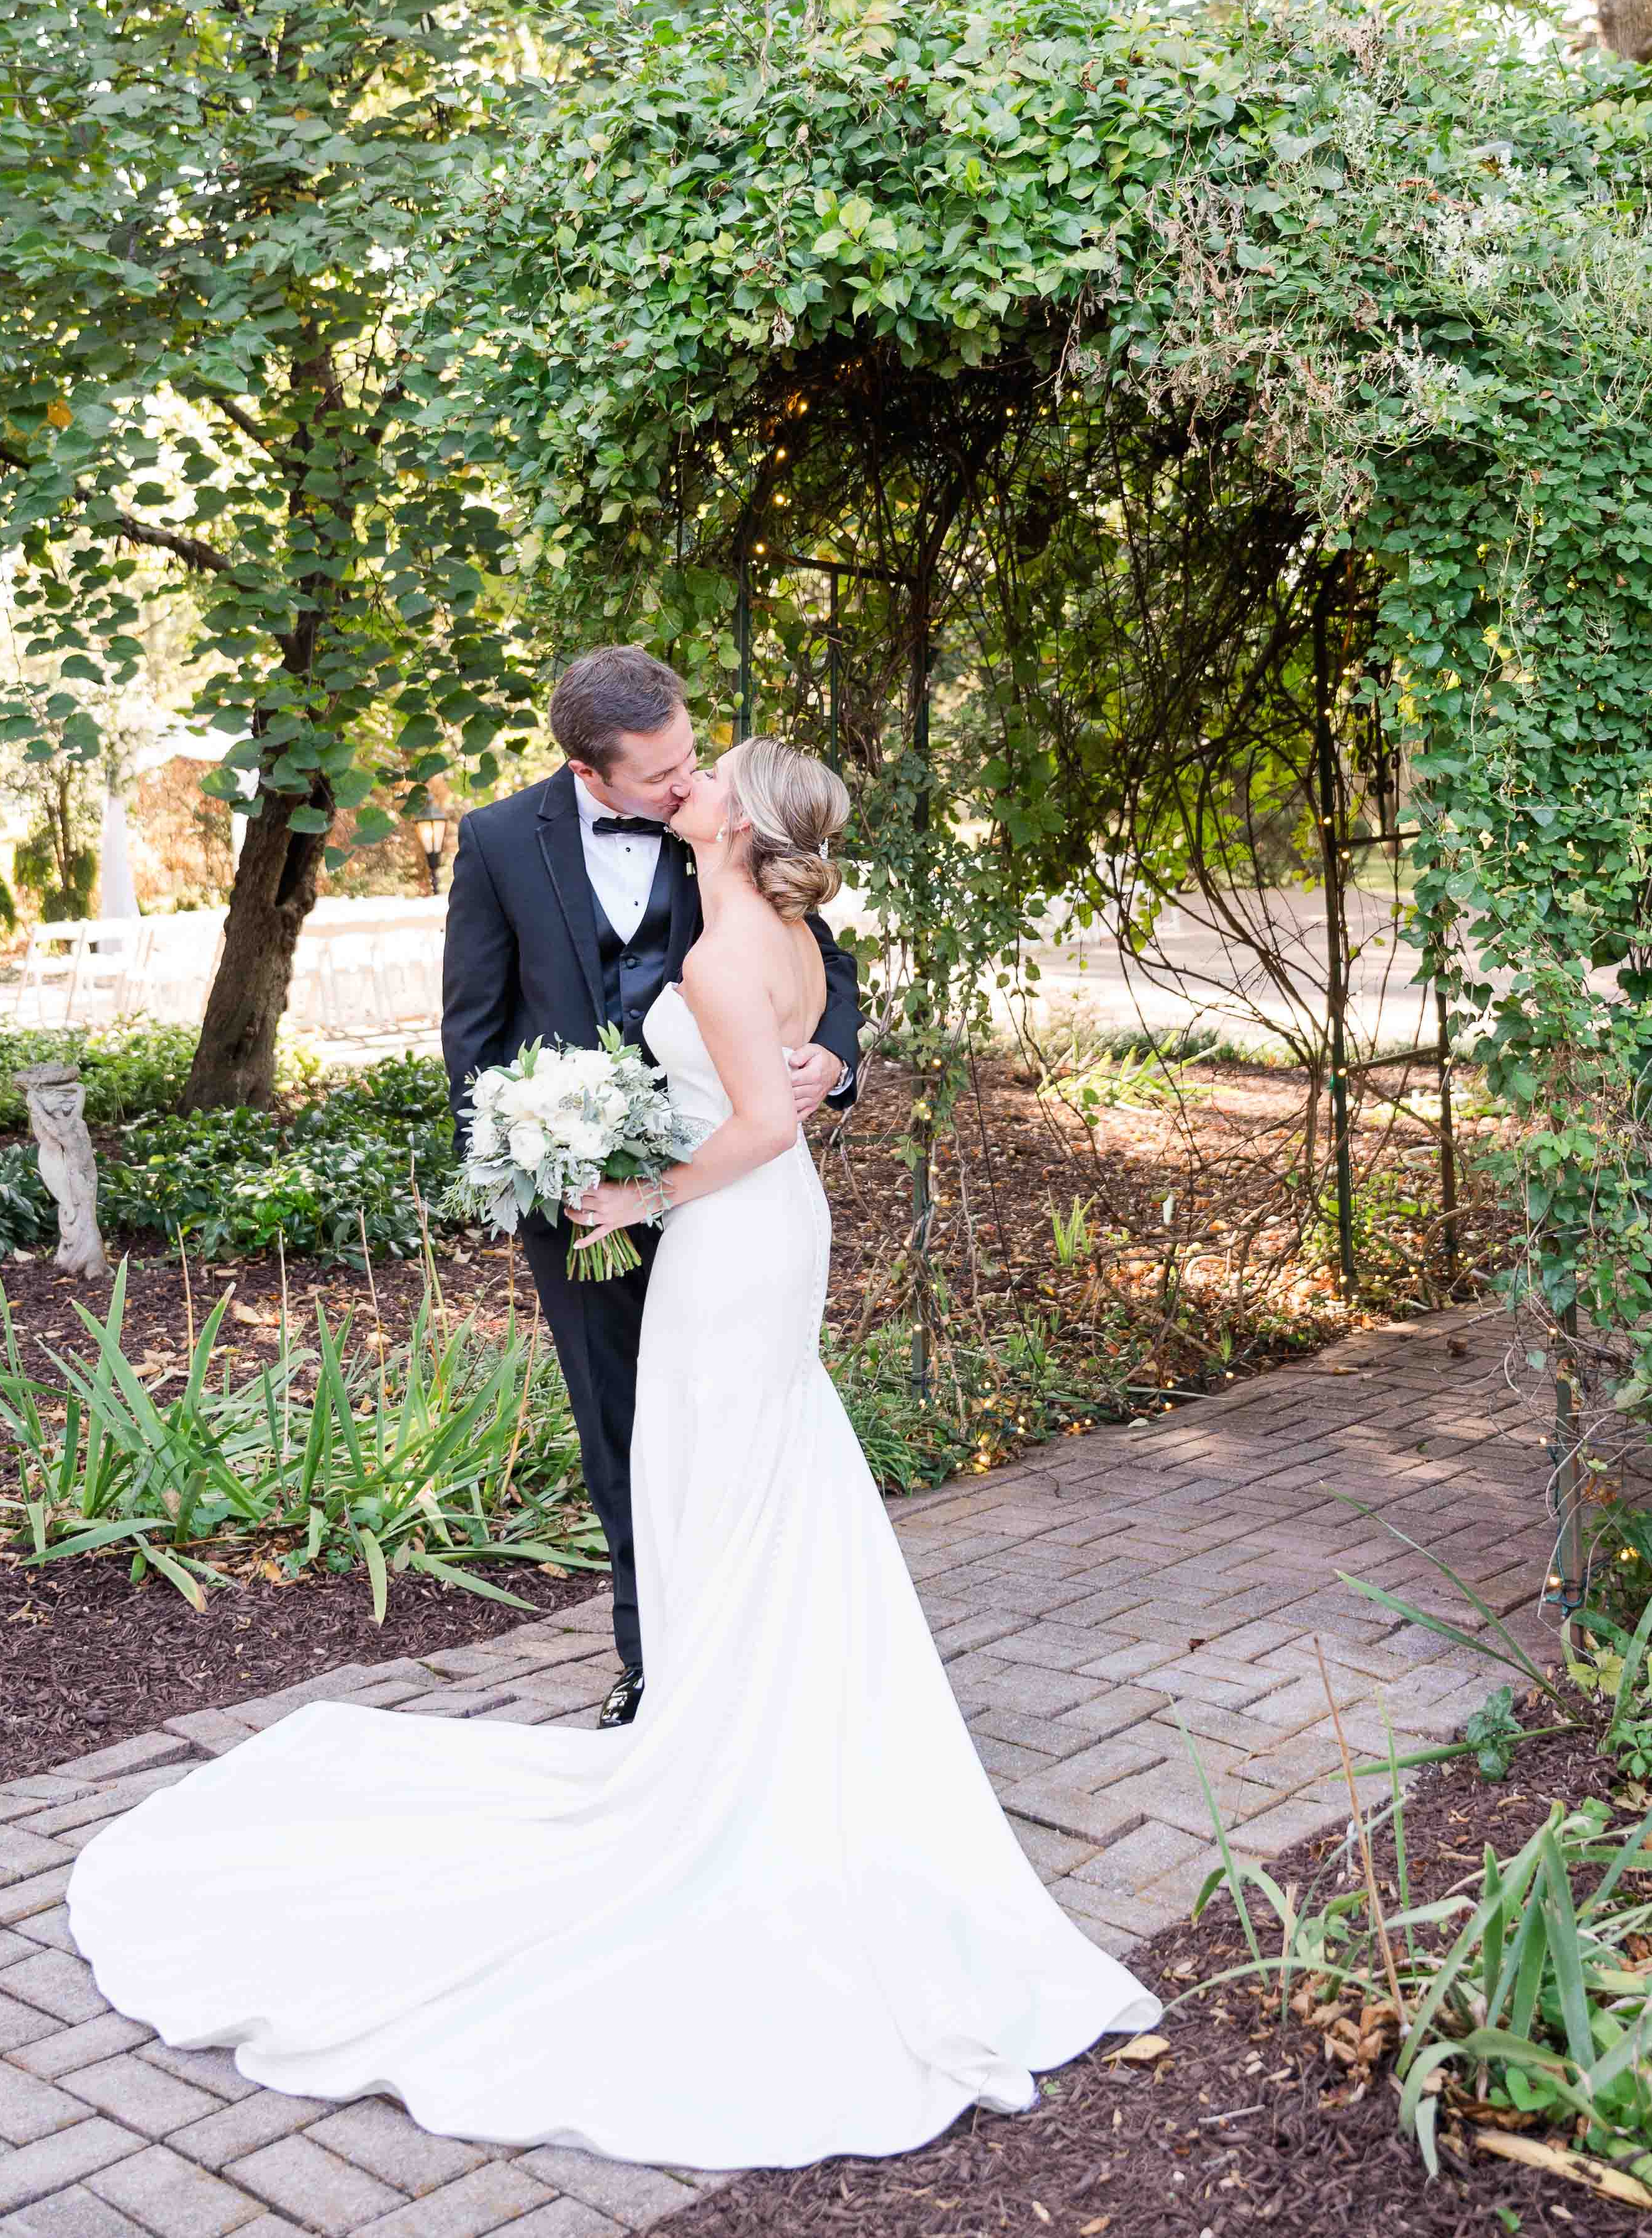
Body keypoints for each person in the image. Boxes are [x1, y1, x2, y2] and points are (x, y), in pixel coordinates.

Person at [68, 733, 1157, 2171]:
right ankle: (762, 1732)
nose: (689, 783)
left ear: (738, 819)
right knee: (759, 1483)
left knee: (727, 1479)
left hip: (727, 1233)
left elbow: (769, 1120)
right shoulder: (767, 927)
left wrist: (640, 1188)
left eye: (712, 774)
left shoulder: (723, 949)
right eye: (680, 766)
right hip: (765, 1242)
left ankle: (733, 1770)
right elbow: (712, 1063)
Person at [437, 644, 861, 1727]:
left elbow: (824, 965)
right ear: (590, 774)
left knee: (729, 1425)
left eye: (690, 756)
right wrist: (524, 1162)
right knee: (625, 1432)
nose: (684, 783)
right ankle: (652, 1669)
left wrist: (834, 1057)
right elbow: (473, 1031)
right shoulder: (495, 843)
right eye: (659, 775)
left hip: (727, 1193)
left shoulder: (719, 823)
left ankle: (742, 1671)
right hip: (581, 1207)